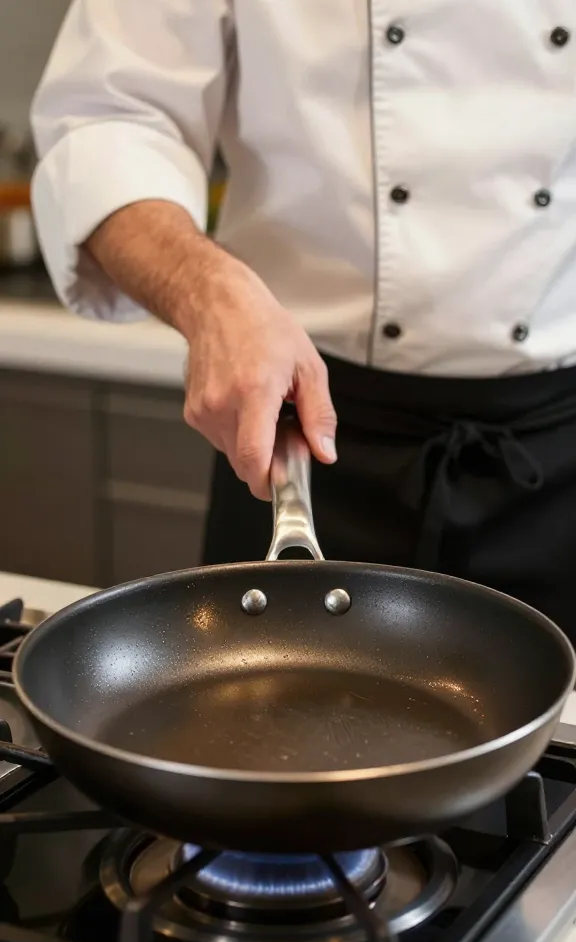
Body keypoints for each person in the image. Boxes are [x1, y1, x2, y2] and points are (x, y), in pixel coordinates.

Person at [31, 1, 576, 642]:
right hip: (292, 426)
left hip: (560, 467)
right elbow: (107, 119)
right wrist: (210, 294)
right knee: (251, 697)